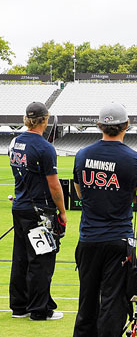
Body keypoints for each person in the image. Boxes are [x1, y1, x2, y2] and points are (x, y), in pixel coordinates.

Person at [72, 103, 137, 336]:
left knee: (87, 298)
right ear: (126, 125)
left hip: (89, 237)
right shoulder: (135, 160)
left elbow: (79, 192)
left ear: (99, 125)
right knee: (113, 301)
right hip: (118, 238)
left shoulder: (83, 154)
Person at [9, 101, 67, 321]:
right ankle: (39, 310)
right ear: (45, 119)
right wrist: (62, 211)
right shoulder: (44, 147)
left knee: (21, 258)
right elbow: (54, 185)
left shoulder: (15, 142)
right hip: (39, 211)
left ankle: (19, 306)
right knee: (41, 260)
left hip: (20, 207)